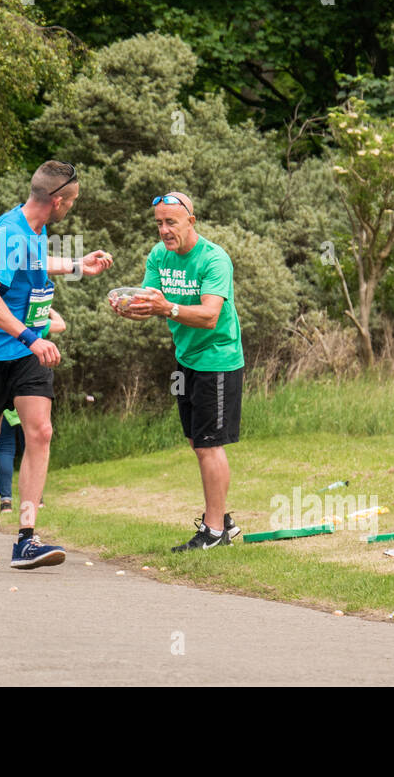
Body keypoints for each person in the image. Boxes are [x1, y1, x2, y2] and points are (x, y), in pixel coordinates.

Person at [0, 160, 112, 569]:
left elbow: (33, 261)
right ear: (57, 201)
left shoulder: (34, 228)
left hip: (26, 352)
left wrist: (77, 266)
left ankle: (26, 537)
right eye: (71, 202)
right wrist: (31, 337)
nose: (71, 208)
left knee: (40, 431)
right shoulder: (6, 234)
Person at [111, 191, 244, 551]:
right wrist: (129, 306)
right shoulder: (159, 255)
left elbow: (209, 315)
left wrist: (166, 307)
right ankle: (224, 521)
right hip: (185, 359)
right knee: (196, 441)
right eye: (158, 223)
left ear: (191, 222)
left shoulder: (214, 259)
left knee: (209, 444)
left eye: (171, 222)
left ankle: (214, 532)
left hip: (217, 358)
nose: (164, 230)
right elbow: (150, 301)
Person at [0, 308, 65, 513]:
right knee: (33, 446)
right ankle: (36, 498)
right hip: (27, 385)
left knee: (5, 447)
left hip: (2, 382)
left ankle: (6, 501)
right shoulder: (33, 324)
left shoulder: (1, 321)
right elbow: (61, 325)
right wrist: (49, 309)